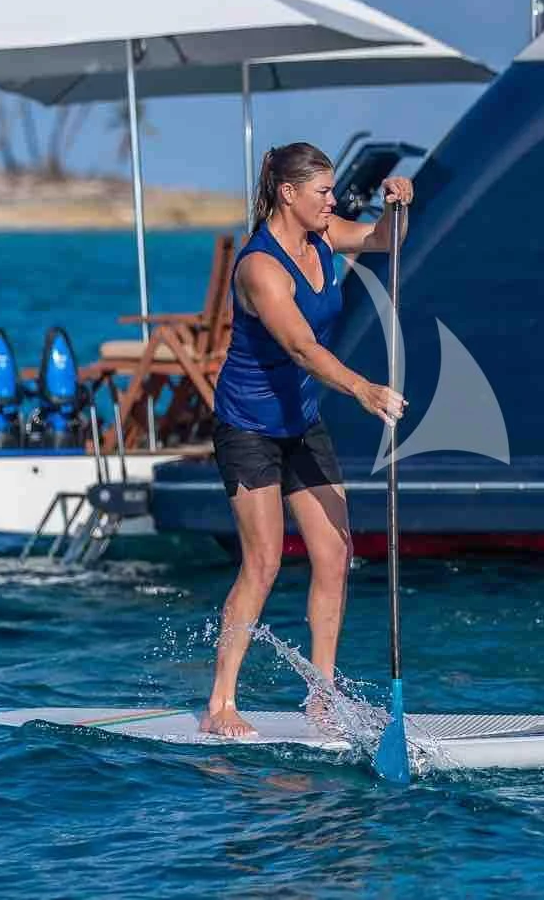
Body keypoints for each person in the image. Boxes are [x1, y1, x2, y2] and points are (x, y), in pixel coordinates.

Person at [202, 142, 412, 738]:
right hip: (248, 428)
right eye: (322, 192)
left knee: (334, 555)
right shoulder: (259, 268)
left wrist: (400, 205)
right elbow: (300, 347)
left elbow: (384, 242)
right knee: (264, 562)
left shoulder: (322, 235)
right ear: (288, 193)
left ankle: (321, 696)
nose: (332, 200)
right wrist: (363, 389)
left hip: (301, 422)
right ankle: (221, 703)